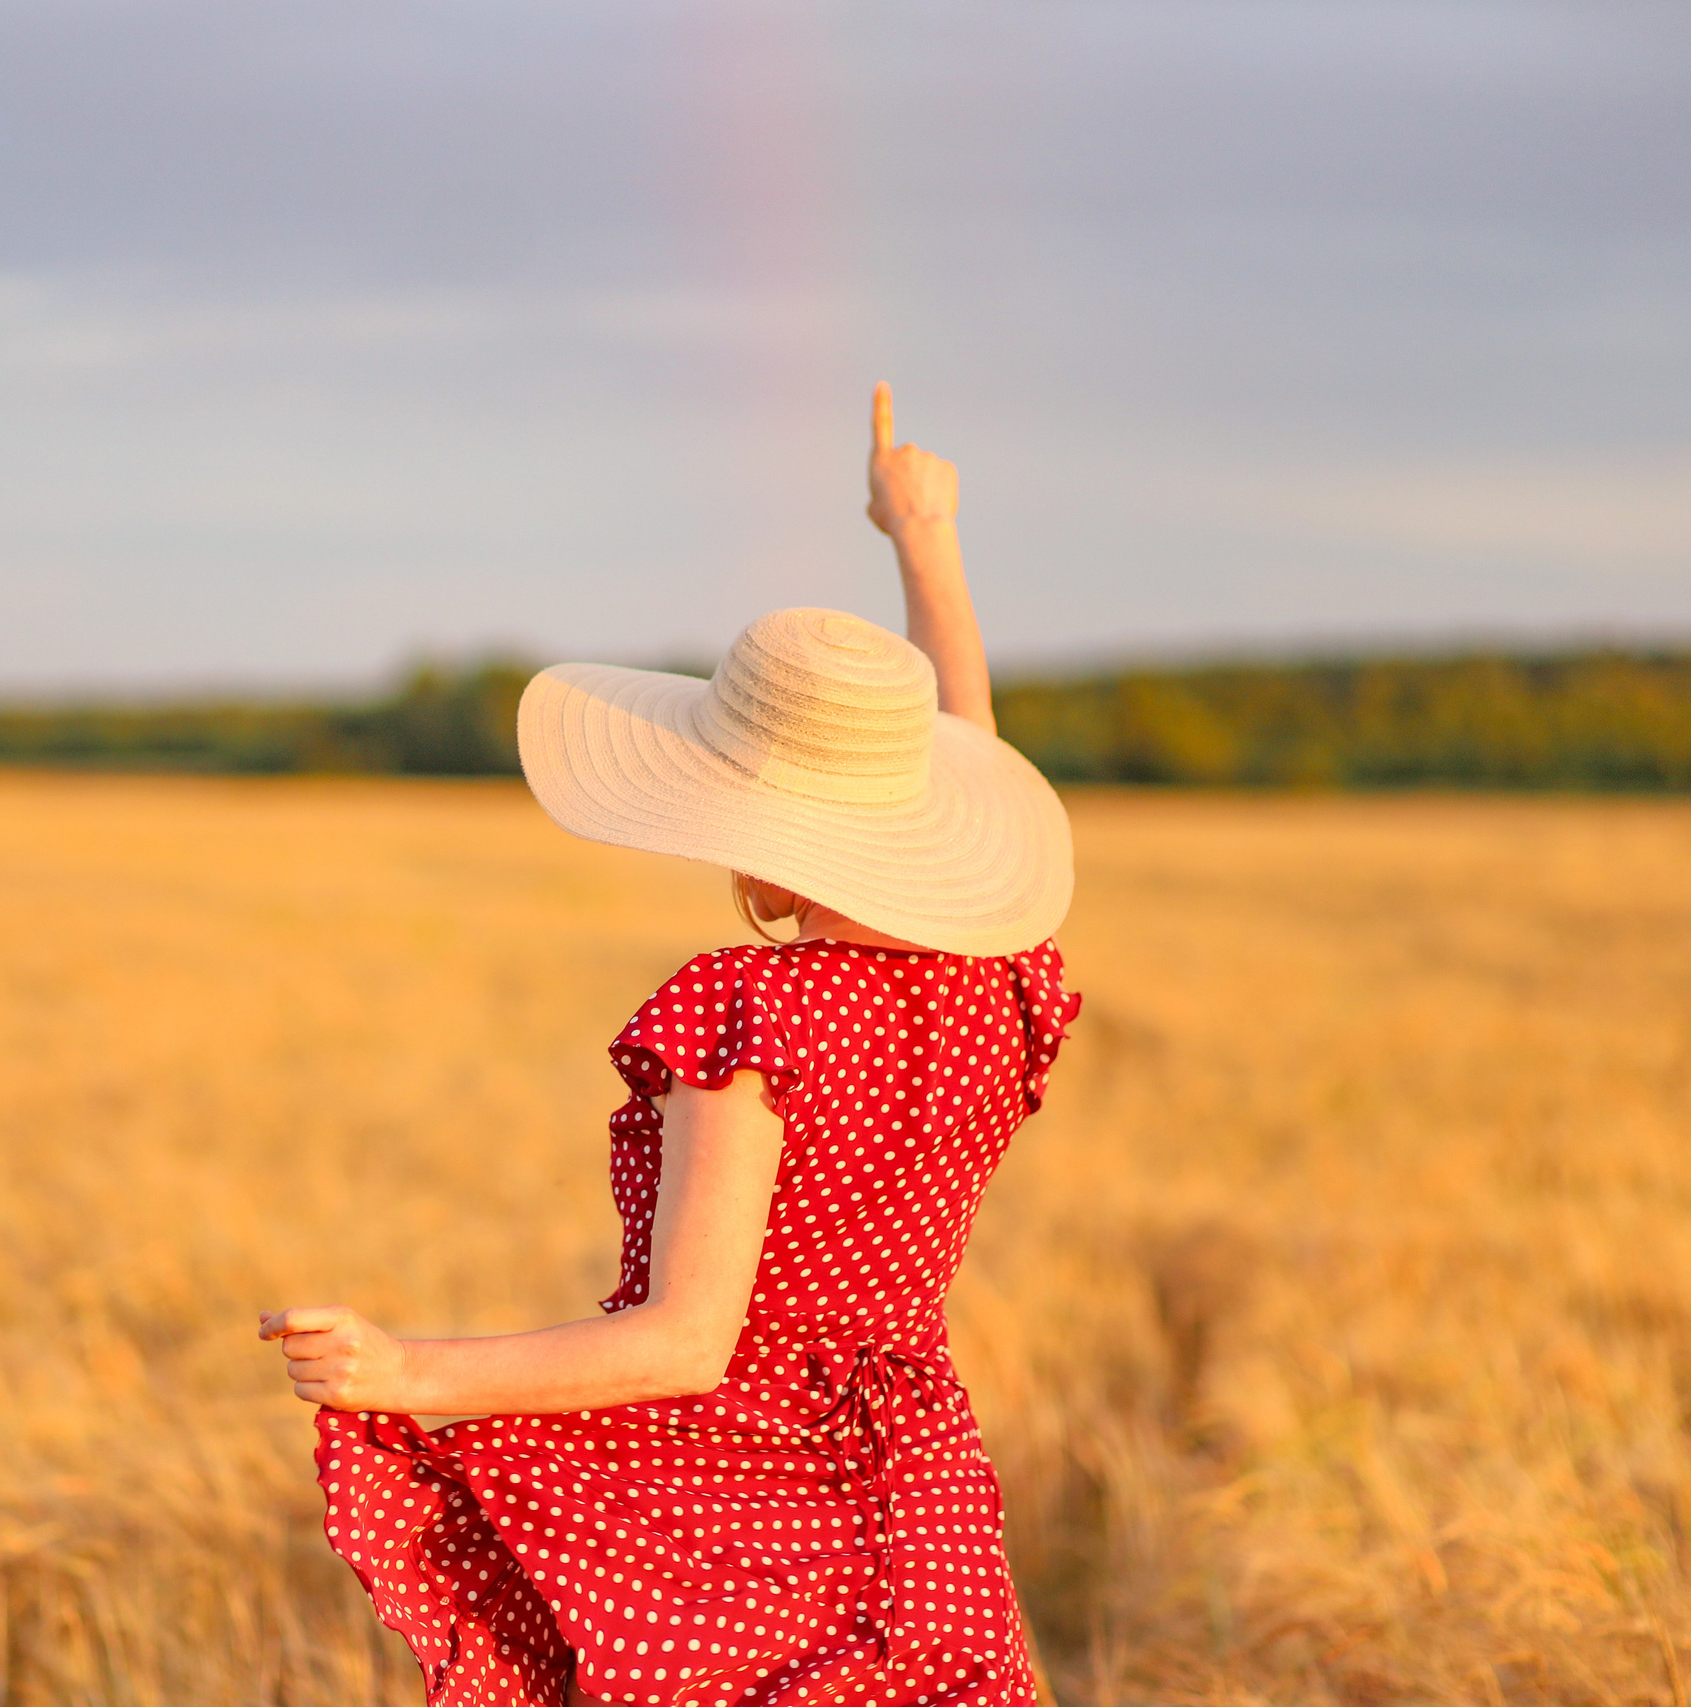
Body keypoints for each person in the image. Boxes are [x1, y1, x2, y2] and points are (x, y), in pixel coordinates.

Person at [260, 385, 1081, 1706]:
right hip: (920, 1503)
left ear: (746, 822)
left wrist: (411, 1371)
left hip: (734, 1516)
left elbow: (689, 1340)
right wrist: (926, 538)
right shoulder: (997, 986)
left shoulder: (751, 1015)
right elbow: (969, 746)